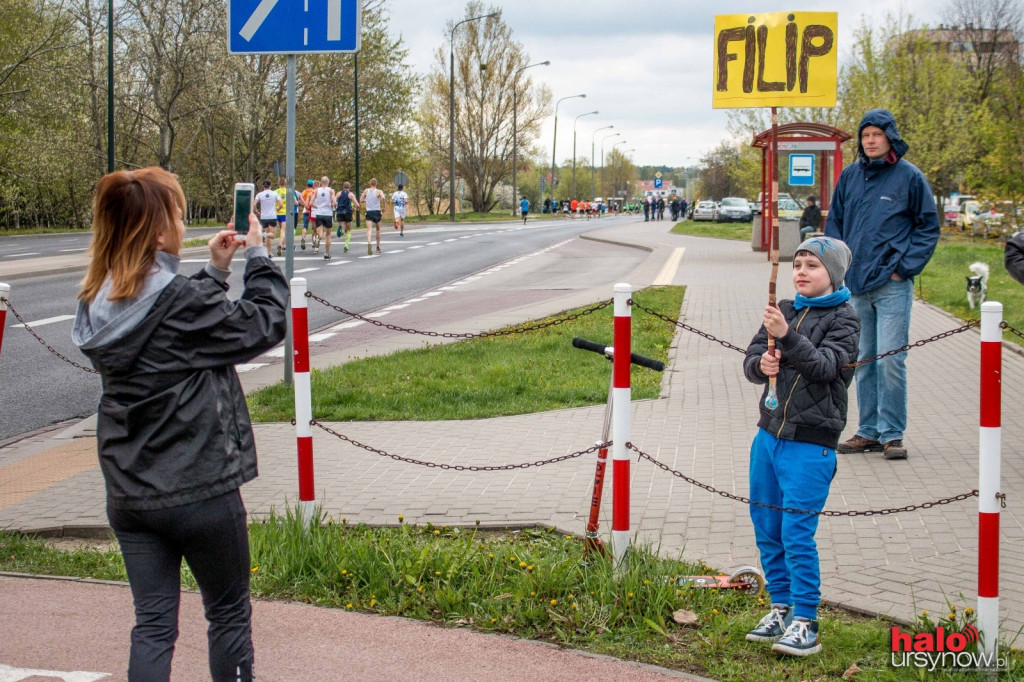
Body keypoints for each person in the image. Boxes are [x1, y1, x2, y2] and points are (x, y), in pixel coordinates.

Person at [72, 167, 288, 682]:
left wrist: (214, 271)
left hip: (130, 493)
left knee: (152, 627)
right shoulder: (180, 304)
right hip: (199, 489)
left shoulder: (96, 301)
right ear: (157, 229)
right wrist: (257, 256)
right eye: (178, 214)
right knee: (229, 615)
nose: (183, 222)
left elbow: (161, 323)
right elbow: (265, 321)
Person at [743, 236, 859, 658]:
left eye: (812, 266)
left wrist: (787, 338)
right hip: (768, 436)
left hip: (811, 444)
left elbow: (827, 368)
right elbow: (752, 358)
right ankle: (780, 606)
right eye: (798, 264)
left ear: (834, 274)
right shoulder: (786, 309)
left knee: (796, 531)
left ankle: (806, 619)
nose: (801, 272)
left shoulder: (846, 319)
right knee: (767, 526)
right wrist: (761, 363)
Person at [825, 109, 940, 461]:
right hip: (857, 285)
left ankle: (892, 434)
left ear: (890, 136)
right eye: (865, 135)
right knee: (863, 360)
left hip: (892, 286)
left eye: (877, 134)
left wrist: (902, 269)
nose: (871, 140)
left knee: (890, 359)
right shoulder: (850, 177)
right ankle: (868, 431)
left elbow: (927, 227)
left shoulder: (909, 177)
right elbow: (836, 227)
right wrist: (836, 271)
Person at [310, 176, 335, 260]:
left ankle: (317, 239)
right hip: (328, 214)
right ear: (328, 182)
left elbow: (310, 203)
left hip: (319, 213)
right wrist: (332, 205)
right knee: (328, 234)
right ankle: (326, 254)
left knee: (319, 232)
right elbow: (334, 202)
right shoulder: (331, 191)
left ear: (321, 182)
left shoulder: (317, 191)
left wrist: (317, 207)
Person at [361, 178, 386, 255]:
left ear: (370, 183)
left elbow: (361, 200)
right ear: (376, 184)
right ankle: (378, 246)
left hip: (369, 212)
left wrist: (367, 200)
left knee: (369, 230)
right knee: (378, 229)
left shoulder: (366, 191)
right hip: (377, 212)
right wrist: (384, 206)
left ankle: (369, 243)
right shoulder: (379, 191)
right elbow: (383, 198)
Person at [334, 181, 359, 253]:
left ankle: (341, 229)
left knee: (342, 224)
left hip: (340, 212)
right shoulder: (351, 194)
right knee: (348, 230)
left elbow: (334, 202)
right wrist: (357, 208)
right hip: (348, 212)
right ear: (349, 187)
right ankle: (346, 246)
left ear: (343, 187)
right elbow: (357, 204)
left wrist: (336, 208)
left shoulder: (338, 193)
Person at [254, 180, 278, 252]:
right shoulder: (274, 194)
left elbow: (254, 204)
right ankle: (261, 234)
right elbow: (281, 205)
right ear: (270, 186)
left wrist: (256, 211)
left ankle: (269, 253)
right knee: (273, 235)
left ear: (263, 186)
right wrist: (278, 208)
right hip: (272, 216)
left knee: (267, 235)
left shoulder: (259, 194)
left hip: (263, 217)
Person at [299, 179, 316, 250]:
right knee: (314, 228)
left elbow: (300, 201)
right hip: (313, 211)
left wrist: (305, 205)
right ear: (313, 185)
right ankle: (314, 242)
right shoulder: (314, 192)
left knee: (305, 226)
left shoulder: (304, 192)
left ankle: (303, 238)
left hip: (305, 210)